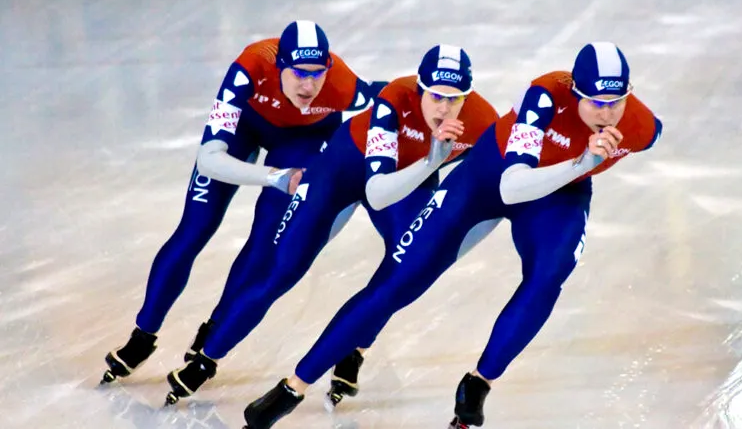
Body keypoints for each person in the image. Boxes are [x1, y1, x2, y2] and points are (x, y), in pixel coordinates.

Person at [241, 42, 664, 429]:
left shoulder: (640, 125)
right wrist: (583, 160)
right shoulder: (546, 96)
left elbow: (653, 130)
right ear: (576, 93)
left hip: (558, 195)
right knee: (399, 282)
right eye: (595, 102)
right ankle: (292, 387)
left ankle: (478, 383)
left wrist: (580, 167)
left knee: (548, 276)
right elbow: (512, 187)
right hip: (485, 181)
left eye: (616, 102)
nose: (607, 113)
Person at [162, 44, 501, 405]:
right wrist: (433, 162)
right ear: (420, 88)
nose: (445, 108)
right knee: (282, 270)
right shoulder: (395, 98)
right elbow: (378, 190)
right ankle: (207, 358)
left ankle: (354, 349)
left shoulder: (482, 122)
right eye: (436, 96)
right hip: (342, 173)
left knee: (404, 271)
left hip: (408, 179)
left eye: (456, 98)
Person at [101, 20, 387, 384]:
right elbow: (209, 158)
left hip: (304, 141)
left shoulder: (342, 85)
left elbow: (392, 99)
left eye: (317, 74)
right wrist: (273, 177)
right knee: (194, 229)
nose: (309, 85)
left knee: (265, 240)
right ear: (280, 65)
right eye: (299, 73)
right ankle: (143, 335)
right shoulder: (248, 69)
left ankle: (215, 327)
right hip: (247, 128)